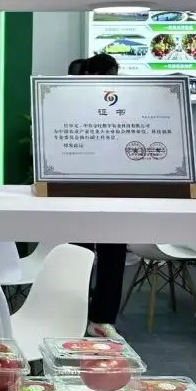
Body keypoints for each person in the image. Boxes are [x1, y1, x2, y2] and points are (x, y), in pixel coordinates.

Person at [73, 52, 127, 340]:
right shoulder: (73, 101)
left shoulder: (122, 102)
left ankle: (102, 318)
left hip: (113, 186)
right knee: (79, 254)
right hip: (78, 186)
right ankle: (75, 313)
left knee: (113, 252)